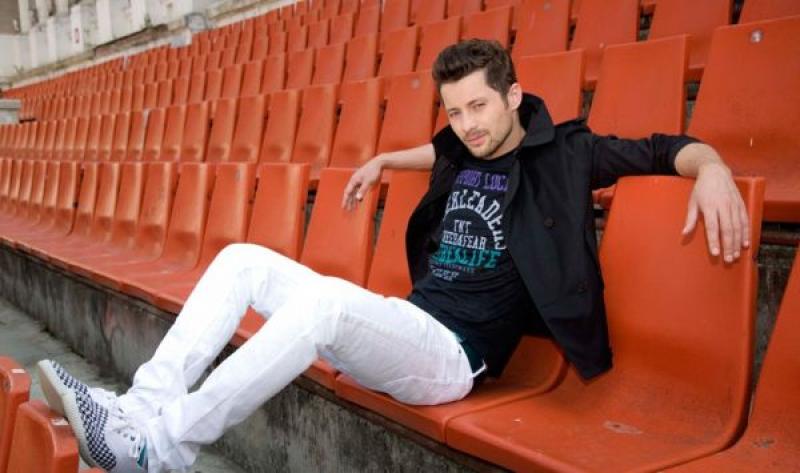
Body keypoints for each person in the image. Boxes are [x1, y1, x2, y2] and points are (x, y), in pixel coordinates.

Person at [37, 39, 750, 473]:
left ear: (514, 96)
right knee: (240, 260)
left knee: (324, 302)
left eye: (479, 107)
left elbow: (663, 148)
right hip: (407, 323)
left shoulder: (567, 154)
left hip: (454, 358)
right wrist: (382, 159)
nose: (466, 125)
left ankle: (163, 447)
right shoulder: (459, 146)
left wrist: (713, 168)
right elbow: (435, 149)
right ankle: (138, 411)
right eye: (454, 111)